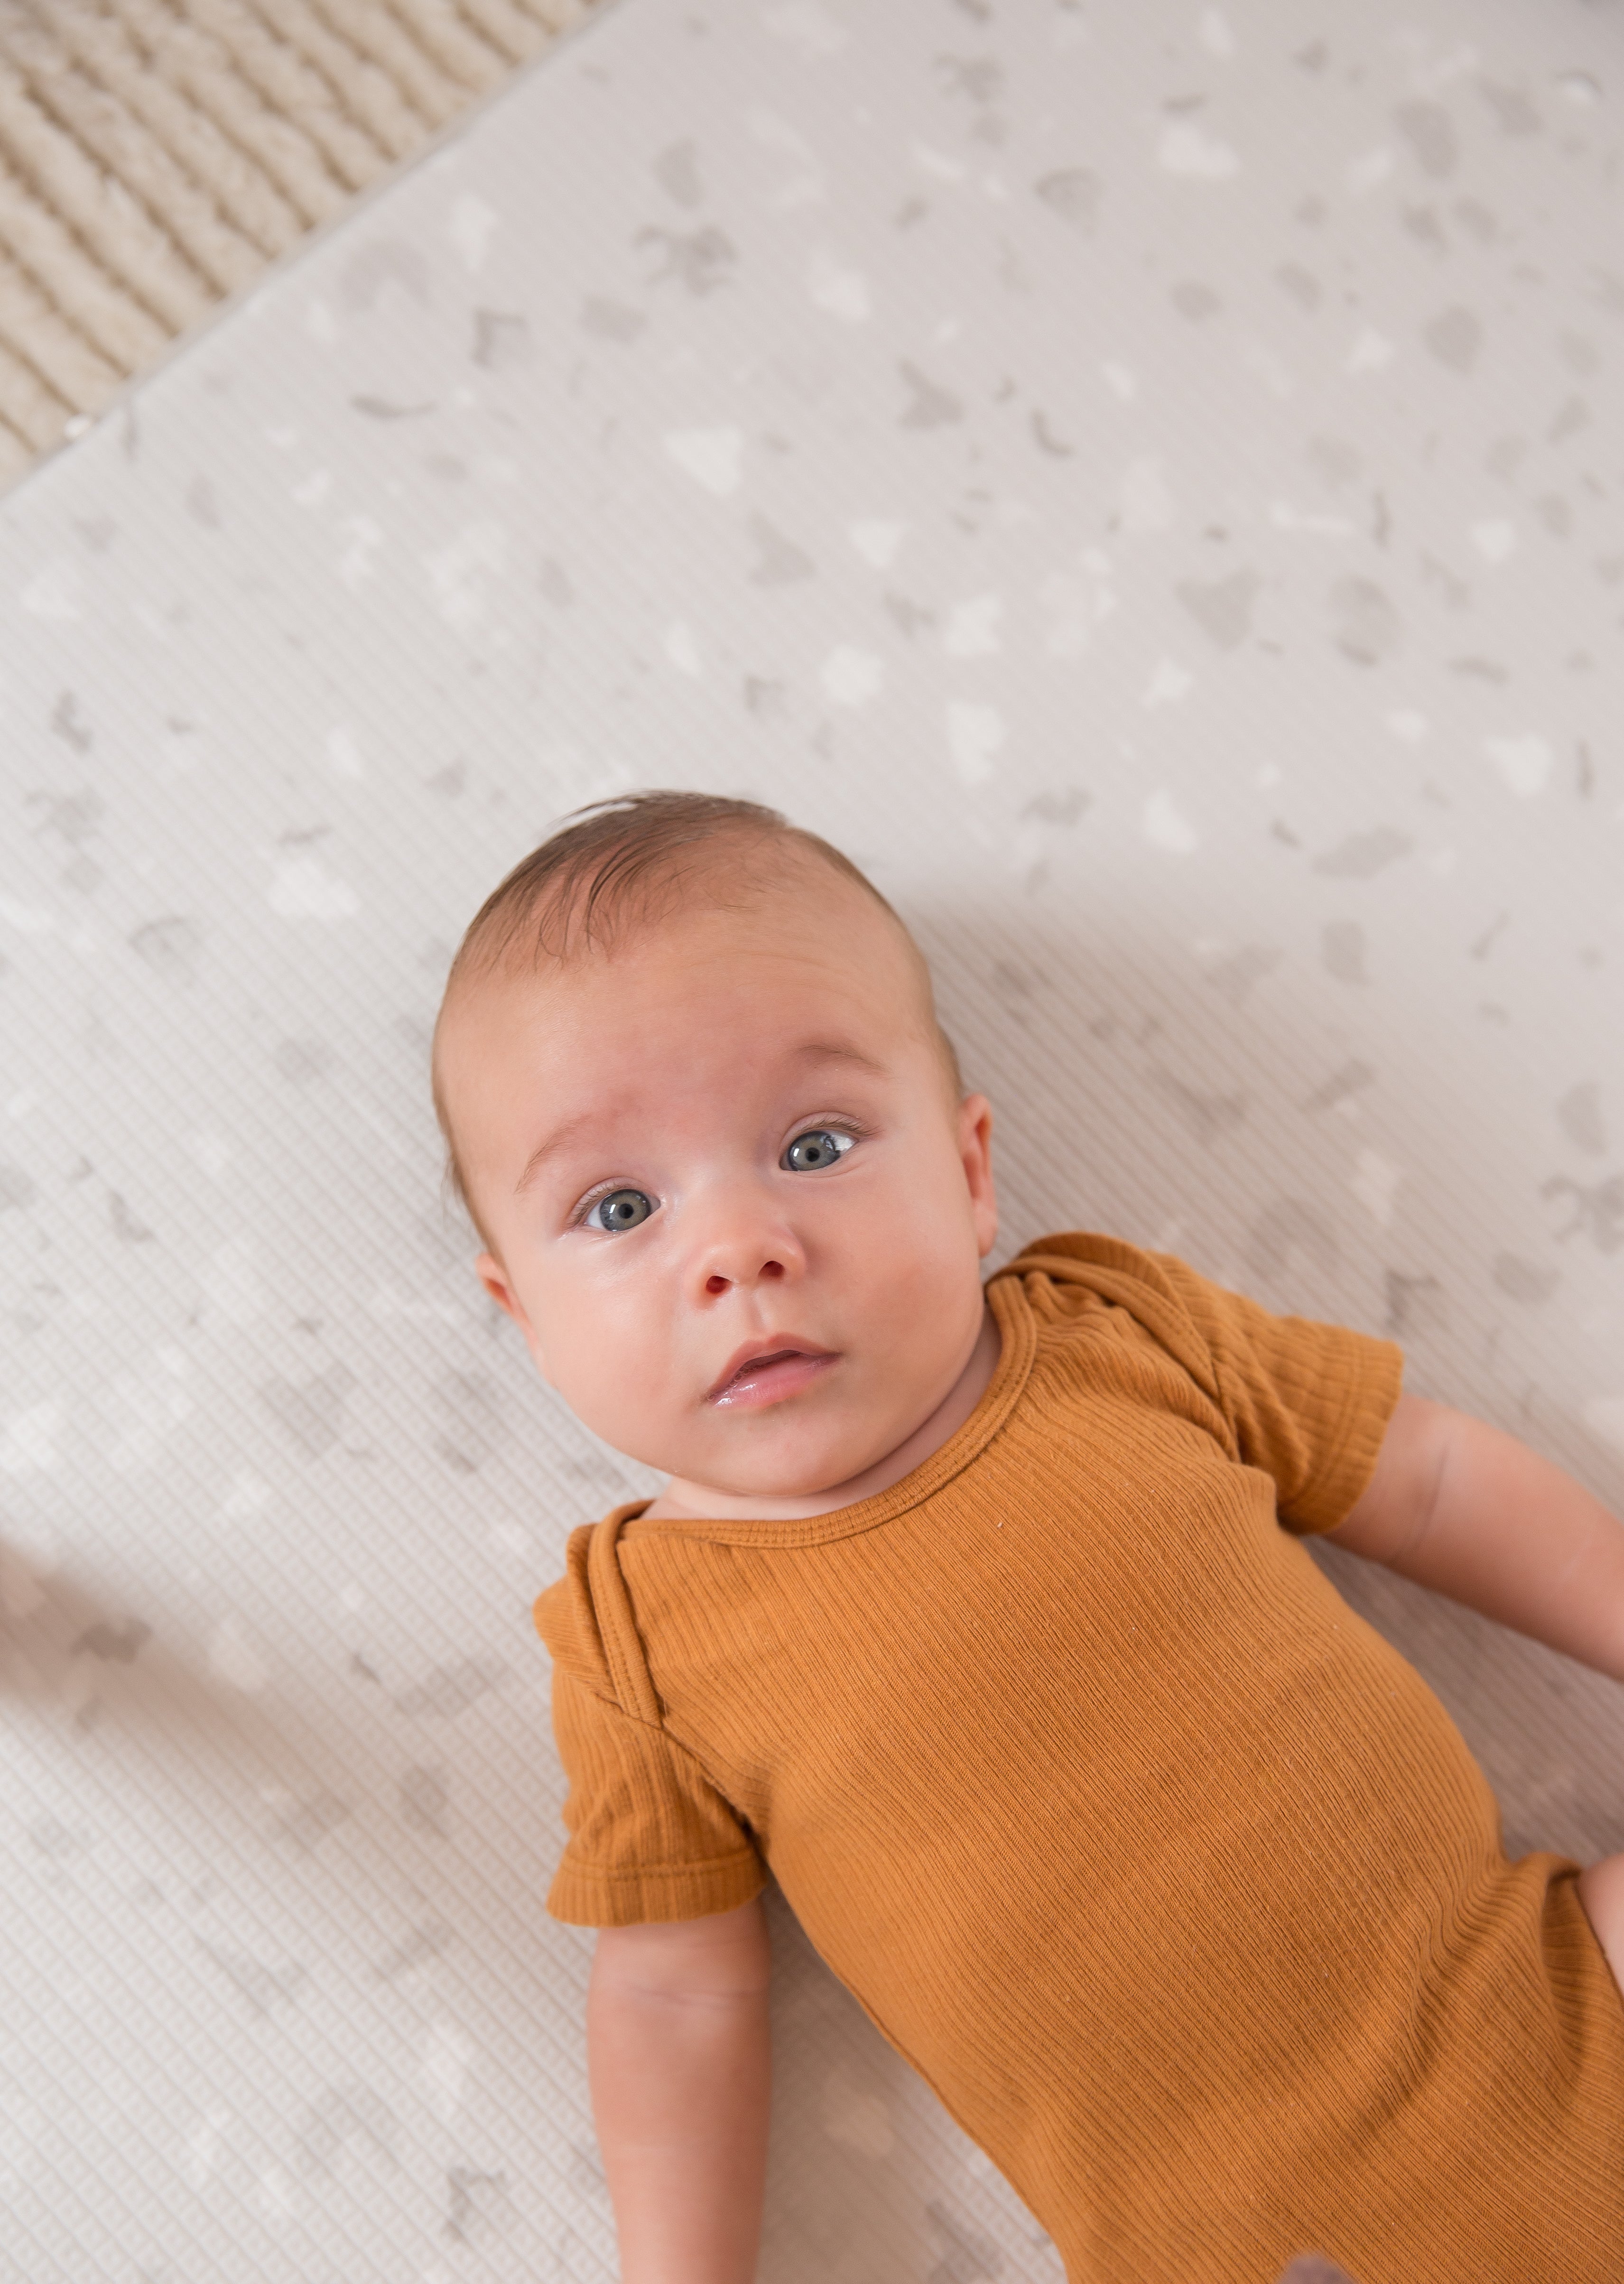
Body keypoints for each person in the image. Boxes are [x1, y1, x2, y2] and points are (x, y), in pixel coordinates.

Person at [430, 789, 1624, 2284]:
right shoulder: (640, 1644)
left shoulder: (1115, 1335)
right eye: (618, 1207)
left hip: (1562, 2002)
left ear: (974, 1172)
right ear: (523, 1318)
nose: (741, 1249)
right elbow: (675, 1994)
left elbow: (1430, 1479)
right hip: (1221, 2251)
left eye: (814, 1144)